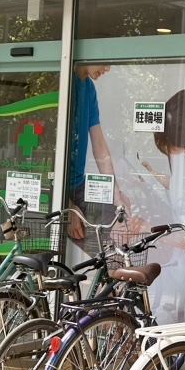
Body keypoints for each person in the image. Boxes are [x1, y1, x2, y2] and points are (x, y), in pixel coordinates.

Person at [68, 64, 132, 240]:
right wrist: (69, 207)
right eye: (104, 61)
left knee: (120, 224)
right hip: (55, 186)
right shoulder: (64, 83)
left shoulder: (88, 88)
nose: (108, 68)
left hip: (78, 185)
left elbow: (99, 145)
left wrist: (115, 192)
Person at [139, 89, 185, 226]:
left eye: (170, 148)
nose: (168, 152)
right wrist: (152, 175)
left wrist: (147, 228)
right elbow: (178, 185)